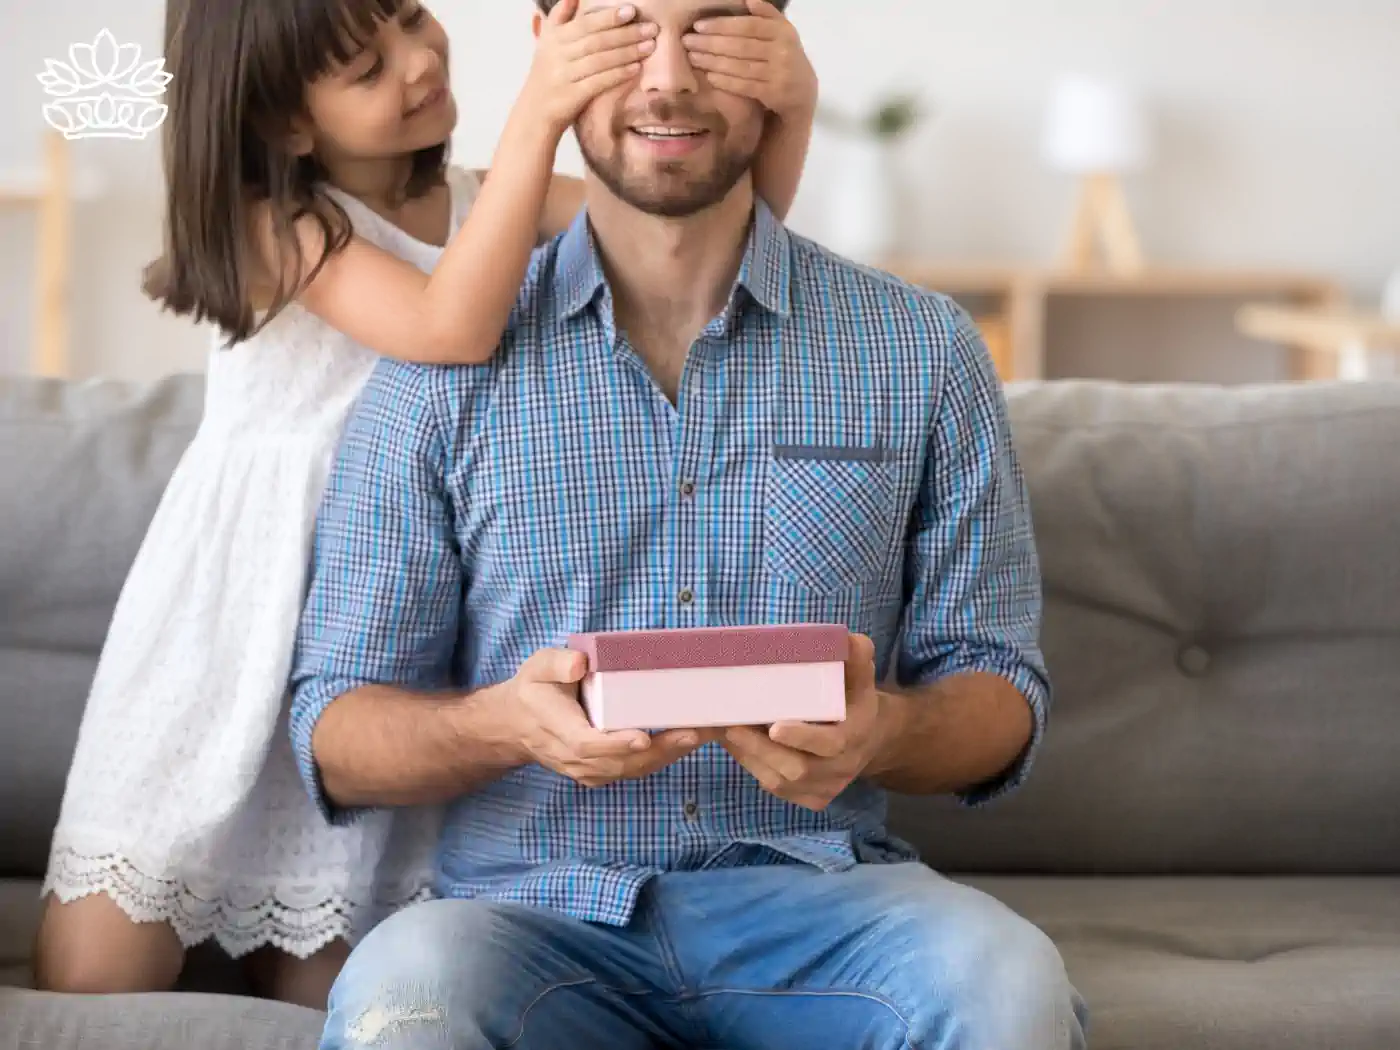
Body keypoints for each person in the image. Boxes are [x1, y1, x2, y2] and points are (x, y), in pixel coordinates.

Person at [289, 0, 1089, 1045]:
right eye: (626, 31)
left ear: (779, 59)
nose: (665, 79)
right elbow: (335, 732)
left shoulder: (920, 350)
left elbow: (999, 694)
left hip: (828, 910)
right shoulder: (437, 378)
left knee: (1006, 985)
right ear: (553, 51)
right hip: (527, 920)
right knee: (410, 998)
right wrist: (503, 724)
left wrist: (884, 729)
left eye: (710, 31)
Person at [34, 0, 816, 1008]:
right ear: (286, 123)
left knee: (330, 967)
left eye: (411, 19)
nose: (416, 61)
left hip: (392, 597)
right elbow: (450, 325)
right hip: (246, 607)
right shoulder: (275, 222)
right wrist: (537, 113)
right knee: (100, 970)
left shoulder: (489, 201)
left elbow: (716, 232)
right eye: (366, 67)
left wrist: (789, 108)